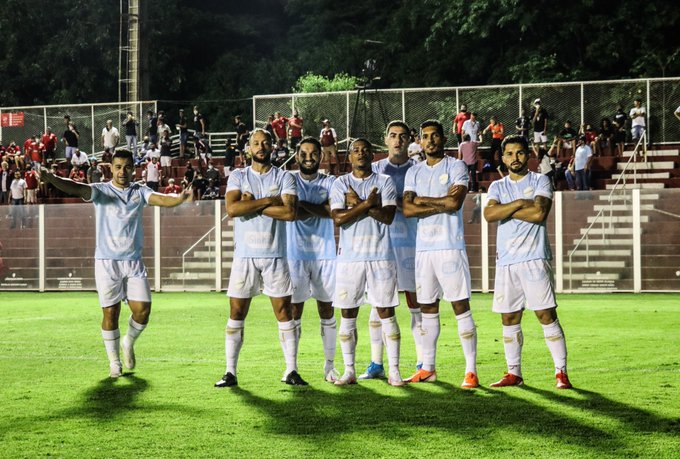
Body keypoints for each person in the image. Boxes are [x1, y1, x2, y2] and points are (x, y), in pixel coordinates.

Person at [40, 149, 192, 378]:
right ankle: (114, 363)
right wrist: (52, 179)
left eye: (127, 167)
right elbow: (75, 187)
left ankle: (128, 342)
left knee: (143, 312)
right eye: (118, 167)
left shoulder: (139, 191)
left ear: (134, 168)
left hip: (133, 262)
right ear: (110, 168)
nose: (123, 171)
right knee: (111, 313)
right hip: (106, 262)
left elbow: (160, 199)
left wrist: (179, 199)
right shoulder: (101, 191)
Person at [215, 128, 307, 388]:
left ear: (272, 147)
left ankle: (291, 370)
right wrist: (270, 200)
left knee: (283, 312)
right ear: (249, 148)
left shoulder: (285, 176)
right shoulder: (238, 175)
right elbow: (233, 209)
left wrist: (253, 204)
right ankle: (230, 372)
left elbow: (290, 213)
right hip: (245, 257)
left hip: (275, 255)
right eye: (256, 143)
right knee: (236, 312)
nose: (261, 147)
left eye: (265, 143)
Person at [483, 134, 572, 390]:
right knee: (509, 318)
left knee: (546, 314)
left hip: (534, 258)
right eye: (509, 153)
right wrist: (522, 202)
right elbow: (489, 214)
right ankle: (514, 373)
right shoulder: (497, 186)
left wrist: (507, 208)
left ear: (528, 155)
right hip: (507, 261)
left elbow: (540, 212)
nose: (515, 158)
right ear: (503, 156)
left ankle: (561, 372)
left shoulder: (541, 179)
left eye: (520, 152)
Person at [402, 119, 479, 389]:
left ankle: (471, 370)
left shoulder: (456, 166)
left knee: (460, 306)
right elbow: (408, 209)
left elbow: (454, 203)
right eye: (425, 136)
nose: (430, 140)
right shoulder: (414, 172)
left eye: (435, 135)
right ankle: (428, 368)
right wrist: (440, 204)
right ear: (420, 141)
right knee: (427, 309)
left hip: (450, 247)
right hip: (424, 250)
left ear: (443, 138)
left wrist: (423, 201)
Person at [329, 138, 403, 387]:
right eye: (355, 151)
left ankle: (393, 370)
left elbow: (388, 216)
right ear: (349, 156)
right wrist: (369, 203)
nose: (360, 154)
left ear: (372, 155)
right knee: (348, 314)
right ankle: (349, 370)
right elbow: (338, 219)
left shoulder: (385, 182)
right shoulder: (340, 183)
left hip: (381, 257)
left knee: (386, 313)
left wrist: (361, 205)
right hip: (350, 260)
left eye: (365, 150)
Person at [357, 121, 421, 380]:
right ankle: (376, 363)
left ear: (409, 140)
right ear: (385, 140)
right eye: (393, 136)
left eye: (403, 136)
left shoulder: (418, 171)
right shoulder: (373, 171)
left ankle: (422, 363)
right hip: (380, 247)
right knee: (378, 306)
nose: (398, 141)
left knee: (416, 305)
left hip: (413, 246)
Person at [286, 137, 339, 382]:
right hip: (294, 255)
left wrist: (302, 206)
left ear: (321, 156)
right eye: (304, 153)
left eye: (313, 153)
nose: (309, 158)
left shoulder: (331, 181)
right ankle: (291, 368)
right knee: (294, 311)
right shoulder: (288, 179)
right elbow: (289, 213)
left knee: (327, 310)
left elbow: (333, 213)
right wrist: (319, 208)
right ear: (297, 156)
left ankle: (329, 367)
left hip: (325, 255)